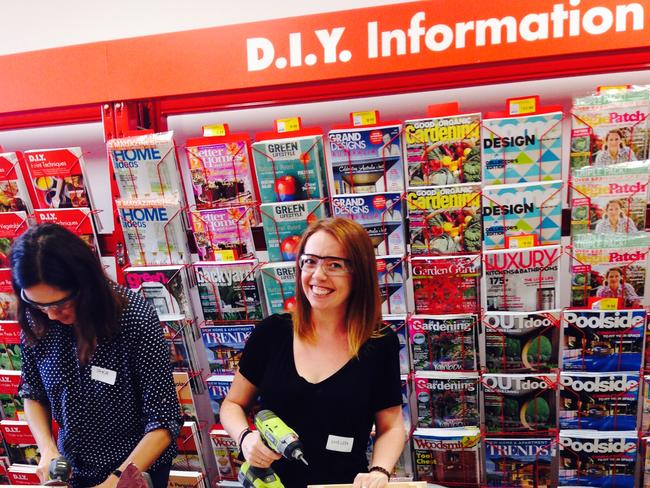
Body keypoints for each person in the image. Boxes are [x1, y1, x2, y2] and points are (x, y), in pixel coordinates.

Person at [221, 217, 406, 488]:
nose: (318, 275)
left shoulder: (379, 344)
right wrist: (245, 438)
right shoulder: (272, 333)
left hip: (343, 484)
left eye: (334, 264)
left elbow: (390, 426)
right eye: (310, 261)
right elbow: (232, 405)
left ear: (359, 274)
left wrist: (379, 471)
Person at [11, 224, 181, 488]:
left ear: (86, 286)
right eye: (40, 305)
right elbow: (33, 393)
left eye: (61, 304)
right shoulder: (37, 321)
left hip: (133, 468)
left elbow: (163, 420)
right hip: (72, 468)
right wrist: (47, 449)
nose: (52, 315)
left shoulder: (134, 319)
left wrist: (115, 481)